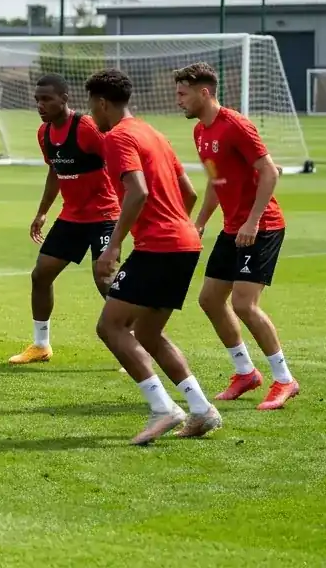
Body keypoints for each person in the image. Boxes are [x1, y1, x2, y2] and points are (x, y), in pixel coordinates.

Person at [86, 68, 221, 445]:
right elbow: (189, 193)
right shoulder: (153, 133)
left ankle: (163, 408)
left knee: (110, 327)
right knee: (147, 332)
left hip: (160, 245)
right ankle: (201, 409)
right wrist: (177, 223)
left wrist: (112, 246)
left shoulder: (117, 138)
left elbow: (138, 192)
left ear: (101, 103)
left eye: (91, 106)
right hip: (184, 242)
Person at [175, 62, 299, 410]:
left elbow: (269, 173)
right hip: (233, 229)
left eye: (183, 94)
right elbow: (216, 182)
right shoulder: (200, 132)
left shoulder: (236, 126)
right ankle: (245, 373)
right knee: (210, 300)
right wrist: (198, 223)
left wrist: (253, 221)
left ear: (205, 92)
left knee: (244, 304)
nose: (178, 100)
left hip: (262, 226)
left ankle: (285, 380)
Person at [13, 74, 120, 364]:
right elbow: (55, 171)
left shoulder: (86, 128)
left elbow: (118, 159)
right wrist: (42, 211)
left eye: (46, 99)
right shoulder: (44, 133)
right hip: (72, 217)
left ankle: (132, 346)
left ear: (64, 98)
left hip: (103, 215)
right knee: (41, 274)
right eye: (37, 100)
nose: (40, 105)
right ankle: (41, 345)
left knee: (105, 279)